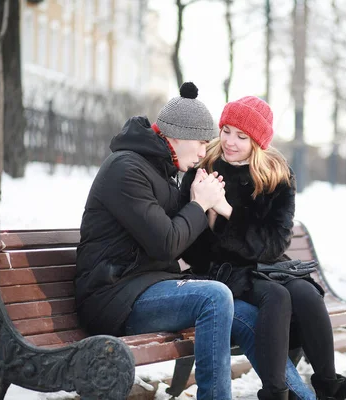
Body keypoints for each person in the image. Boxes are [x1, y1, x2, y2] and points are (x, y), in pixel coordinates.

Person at [76, 82, 246, 400]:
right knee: (214, 298)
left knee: (247, 308)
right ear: (176, 135)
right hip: (113, 298)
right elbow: (166, 244)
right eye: (200, 142)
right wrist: (198, 205)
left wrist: (209, 211)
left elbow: (180, 243)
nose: (202, 151)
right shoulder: (125, 169)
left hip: (145, 287)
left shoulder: (162, 172)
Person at [180, 96, 346, 400]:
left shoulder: (276, 174)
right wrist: (204, 209)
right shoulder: (203, 170)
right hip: (221, 271)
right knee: (277, 295)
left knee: (308, 294)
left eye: (241, 136)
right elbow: (192, 251)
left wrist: (228, 211)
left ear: (258, 141)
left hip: (266, 264)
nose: (230, 142)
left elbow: (275, 243)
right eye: (227, 130)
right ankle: (276, 393)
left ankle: (329, 388)